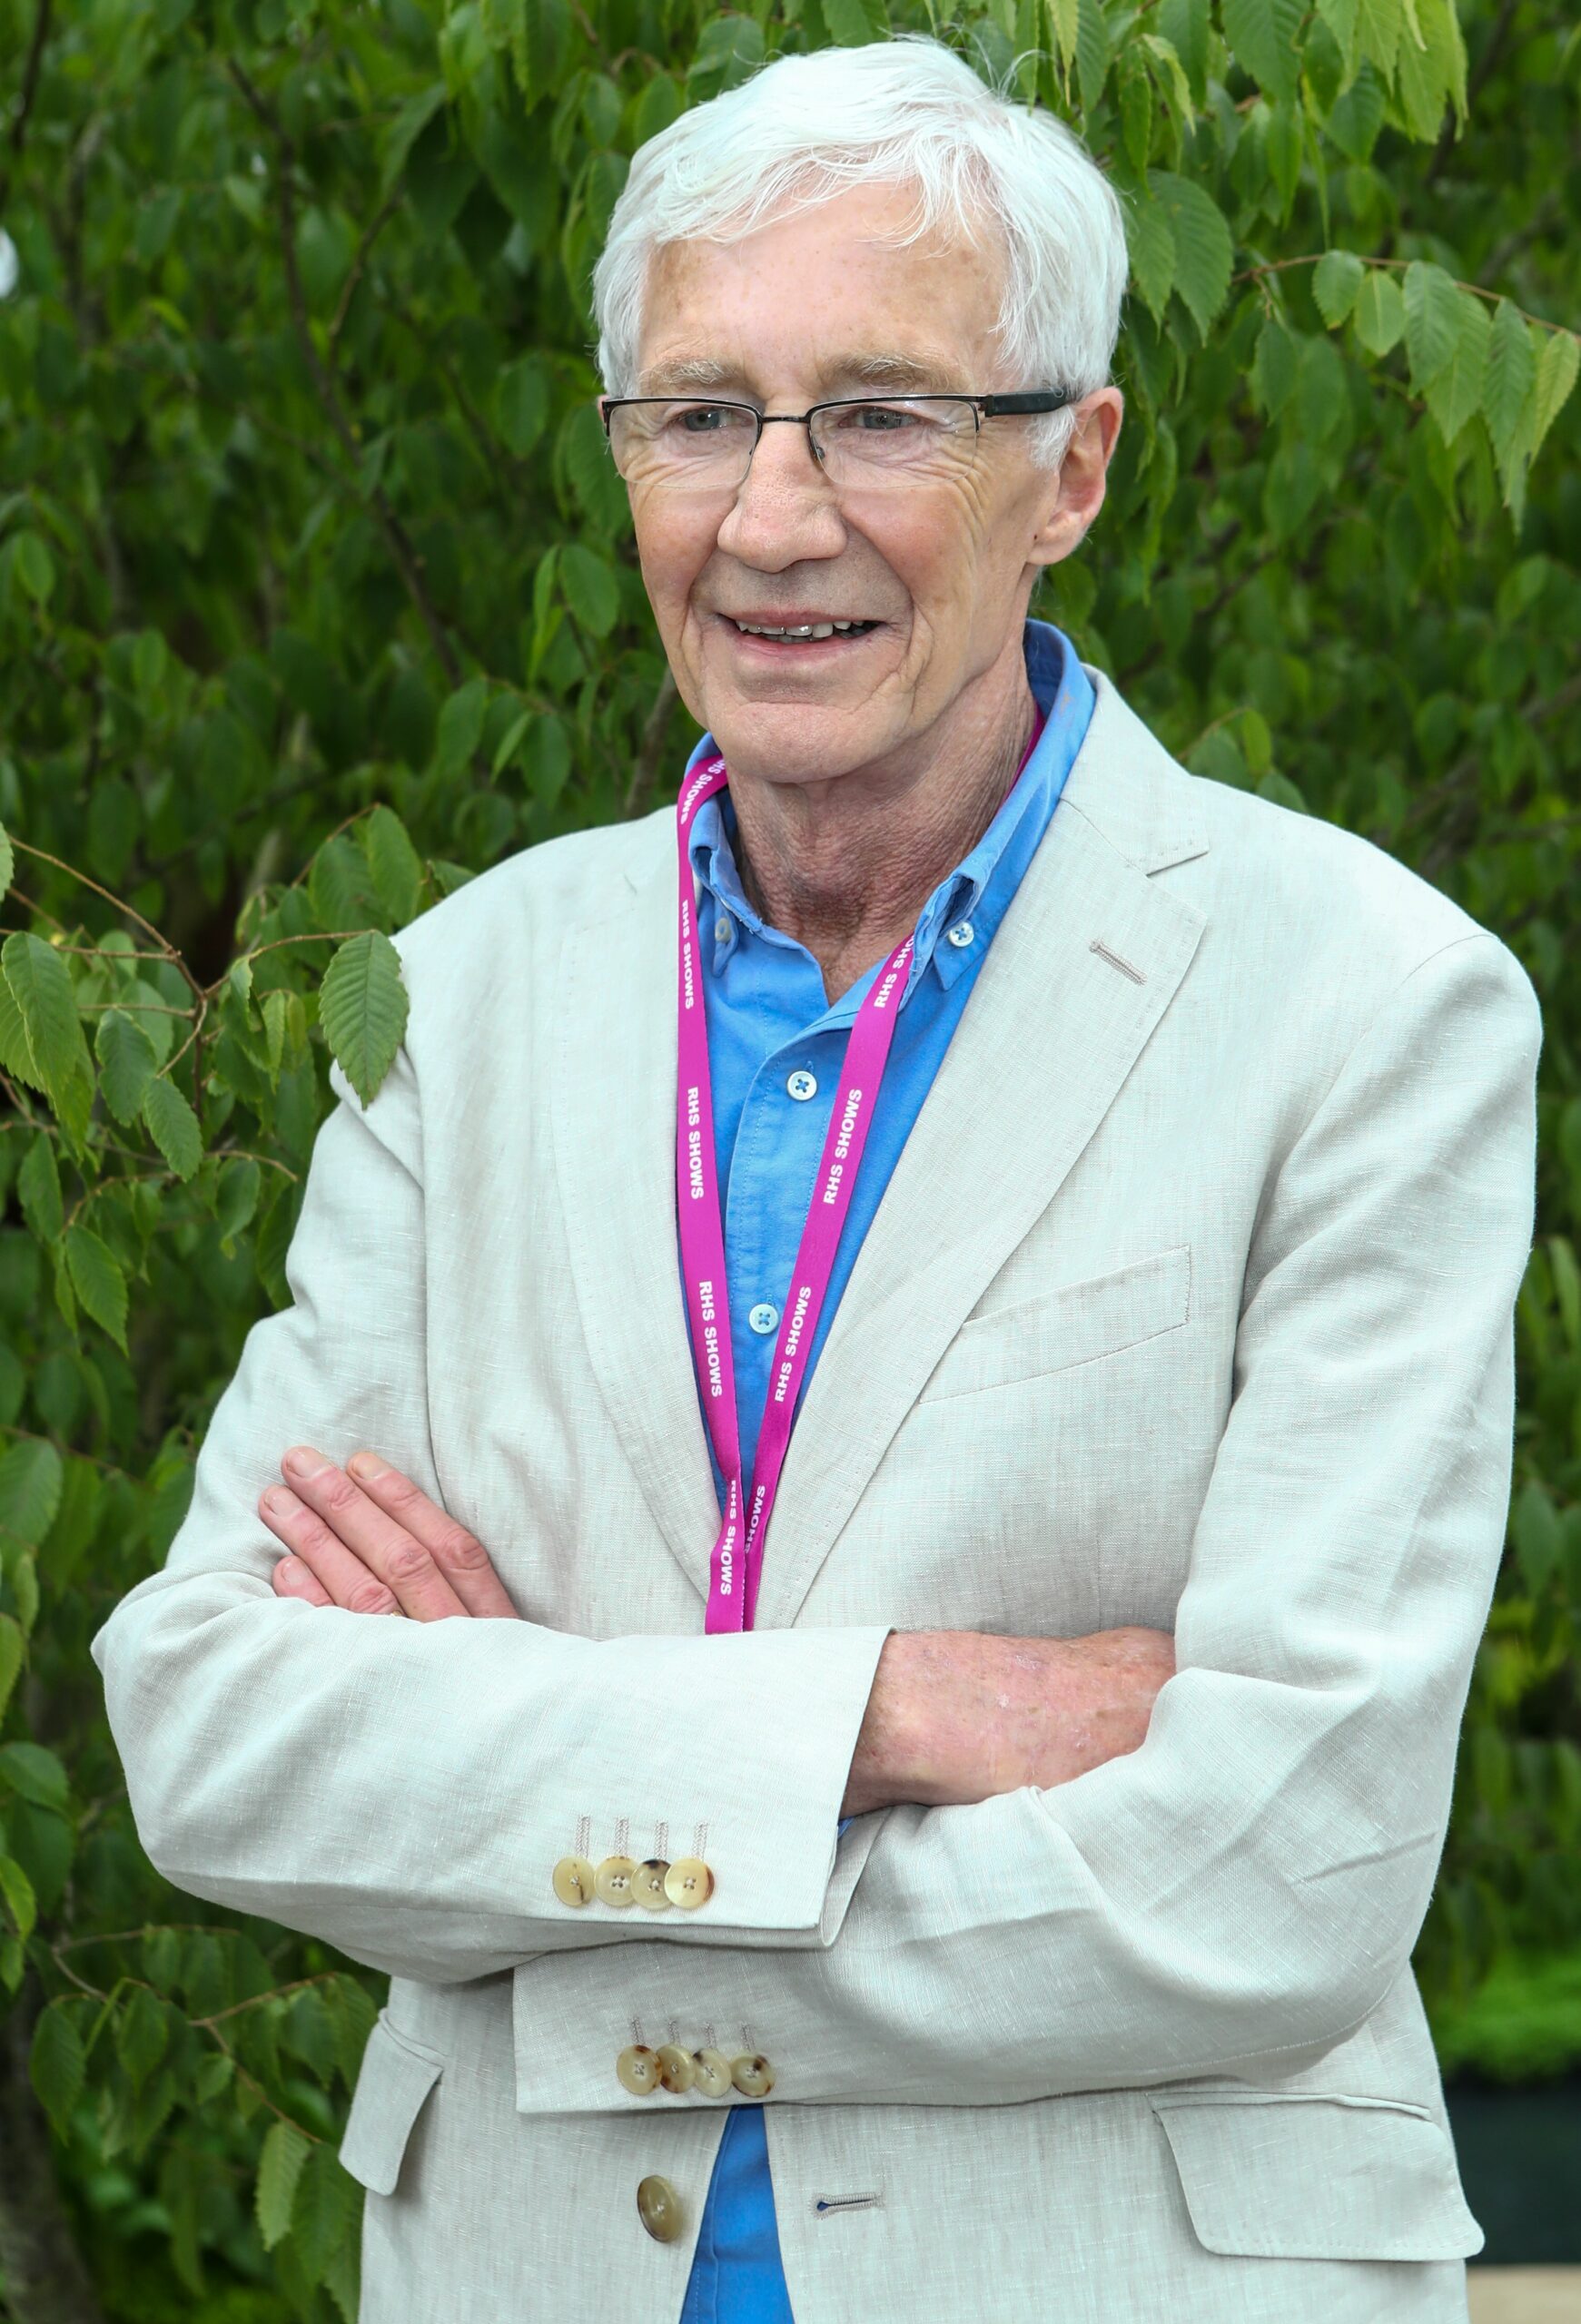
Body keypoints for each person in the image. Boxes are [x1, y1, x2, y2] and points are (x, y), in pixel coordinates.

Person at [94, 34, 1541, 2323]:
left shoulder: (1366, 1000)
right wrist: (891, 1715)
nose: (770, 519)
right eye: (697, 415)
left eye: (879, 415)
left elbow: (1284, 1866)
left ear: (1071, 467)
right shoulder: (454, 999)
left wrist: (554, 1863)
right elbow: (218, 1732)